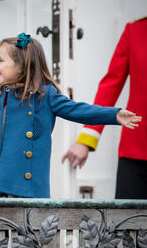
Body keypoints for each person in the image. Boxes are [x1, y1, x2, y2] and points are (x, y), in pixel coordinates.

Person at [0, 33, 142, 198]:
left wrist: (114, 115)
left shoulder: (45, 96)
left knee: (24, 244)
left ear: (21, 66)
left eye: (1, 61)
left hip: (22, 189)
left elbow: (79, 110)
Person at [62, 17, 147, 199]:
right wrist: (87, 139)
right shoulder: (135, 30)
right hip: (137, 149)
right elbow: (111, 85)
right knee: (128, 223)